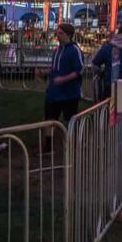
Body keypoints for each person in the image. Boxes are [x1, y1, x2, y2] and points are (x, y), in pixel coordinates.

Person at [42, 23, 84, 152]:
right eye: (57, 33)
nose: (57, 36)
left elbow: (79, 70)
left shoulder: (74, 50)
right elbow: (56, 69)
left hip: (69, 93)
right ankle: (48, 146)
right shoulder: (57, 50)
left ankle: (74, 145)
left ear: (69, 35)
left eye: (60, 33)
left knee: (70, 120)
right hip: (54, 93)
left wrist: (63, 79)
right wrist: (45, 72)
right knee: (49, 119)